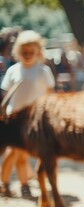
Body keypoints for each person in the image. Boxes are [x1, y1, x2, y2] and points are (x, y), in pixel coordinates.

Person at [0, 30, 55, 198]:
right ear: (18, 52)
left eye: (31, 52)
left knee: (17, 153)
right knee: (17, 154)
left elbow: (51, 95)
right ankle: (21, 184)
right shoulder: (13, 71)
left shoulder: (43, 71)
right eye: (24, 52)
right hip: (14, 120)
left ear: (38, 51)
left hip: (35, 120)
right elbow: (4, 94)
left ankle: (6, 183)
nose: (28, 55)